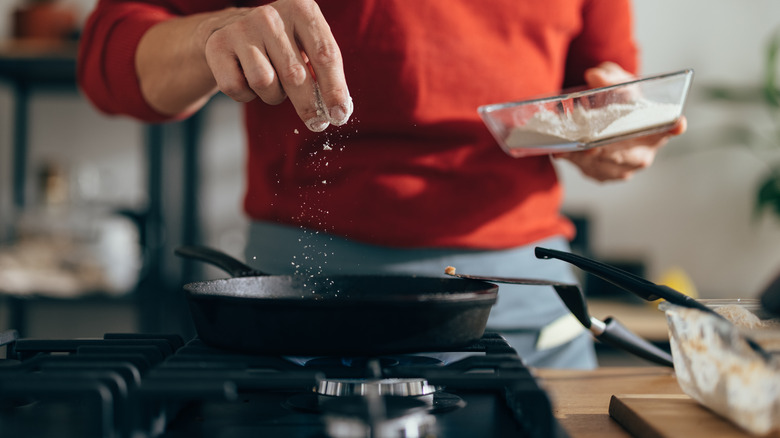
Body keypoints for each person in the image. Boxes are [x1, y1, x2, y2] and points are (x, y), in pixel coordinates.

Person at [77, 0, 685, 369]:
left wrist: (610, 130)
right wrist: (210, 35)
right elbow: (107, 54)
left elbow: (599, 83)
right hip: (300, 300)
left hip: (522, 301)